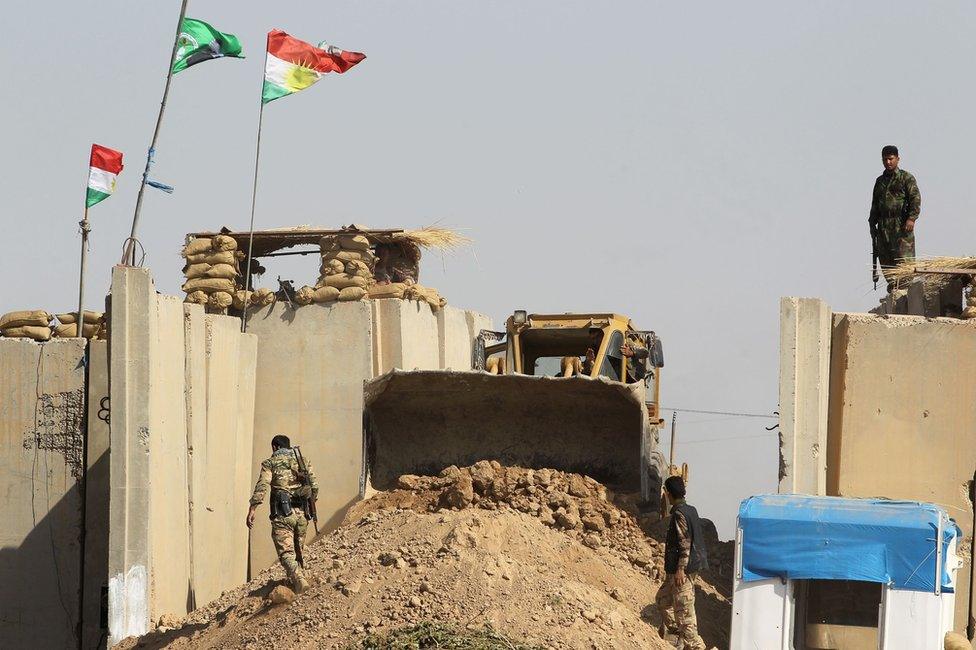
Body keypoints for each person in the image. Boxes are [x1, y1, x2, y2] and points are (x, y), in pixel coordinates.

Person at [246, 434, 319, 593]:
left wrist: (253, 509)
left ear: (274, 447)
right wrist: (310, 505)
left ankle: (299, 580)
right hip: (302, 515)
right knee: (298, 549)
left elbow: (262, 486)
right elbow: (315, 488)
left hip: (283, 515)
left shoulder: (270, 463)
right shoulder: (303, 461)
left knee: (286, 553)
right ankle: (296, 581)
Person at [655, 476, 707, 650]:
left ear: (668, 493)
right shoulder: (691, 510)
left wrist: (680, 569)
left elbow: (684, 543)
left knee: (685, 617)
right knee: (662, 601)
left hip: (681, 571)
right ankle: (678, 637)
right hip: (681, 570)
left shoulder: (679, 514)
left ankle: (695, 646)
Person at [869, 145, 921, 290]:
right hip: (884, 225)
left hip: (901, 224)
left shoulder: (906, 178)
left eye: (891, 159)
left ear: (898, 159)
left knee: (904, 259)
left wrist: (911, 218)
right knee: (886, 259)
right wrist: (872, 224)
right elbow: (875, 204)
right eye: (885, 159)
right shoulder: (880, 181)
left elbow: (915, 199)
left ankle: (905, 289)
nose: (888, 162)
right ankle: (894, 289)